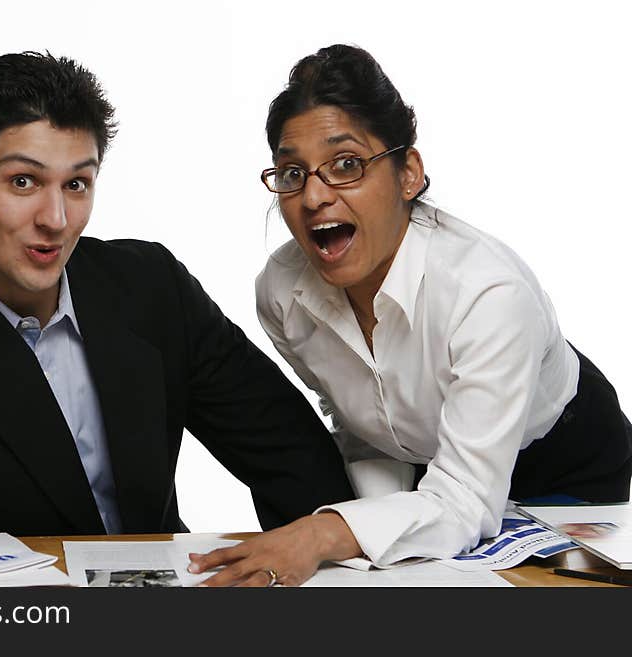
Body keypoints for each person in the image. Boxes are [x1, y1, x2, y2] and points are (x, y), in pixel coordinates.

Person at [0, 51, 354, 551]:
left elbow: (292, 455)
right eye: (23, 181)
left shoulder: (150, 286)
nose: (56, 218)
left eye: (77, 184)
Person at [188, 44, 632, 586]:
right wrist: (367, 529)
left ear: (408, 174)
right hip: (430, 469)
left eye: (346, 164)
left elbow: (467, 497)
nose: (314, 195)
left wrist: (324, 532)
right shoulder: (281, 293)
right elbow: (357, 420)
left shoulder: (487, 292)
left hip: (561, 459)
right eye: (291, 172)